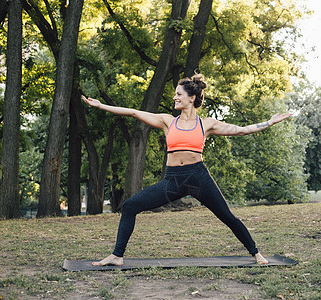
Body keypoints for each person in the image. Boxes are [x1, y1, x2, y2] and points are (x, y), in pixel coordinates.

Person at [81, 74, 291, 266]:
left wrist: (269, 122)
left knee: (227, 216)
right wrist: (102, 106)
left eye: (178, 94)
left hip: (198, 177)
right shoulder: (167, 121)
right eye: (175, 94)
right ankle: (117, 255)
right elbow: (135, 112)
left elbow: (242, 130)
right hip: (172, 181)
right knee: (129, 206)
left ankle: (256, 254)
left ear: (191, 98)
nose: (175, 98)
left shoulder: (206, 124)